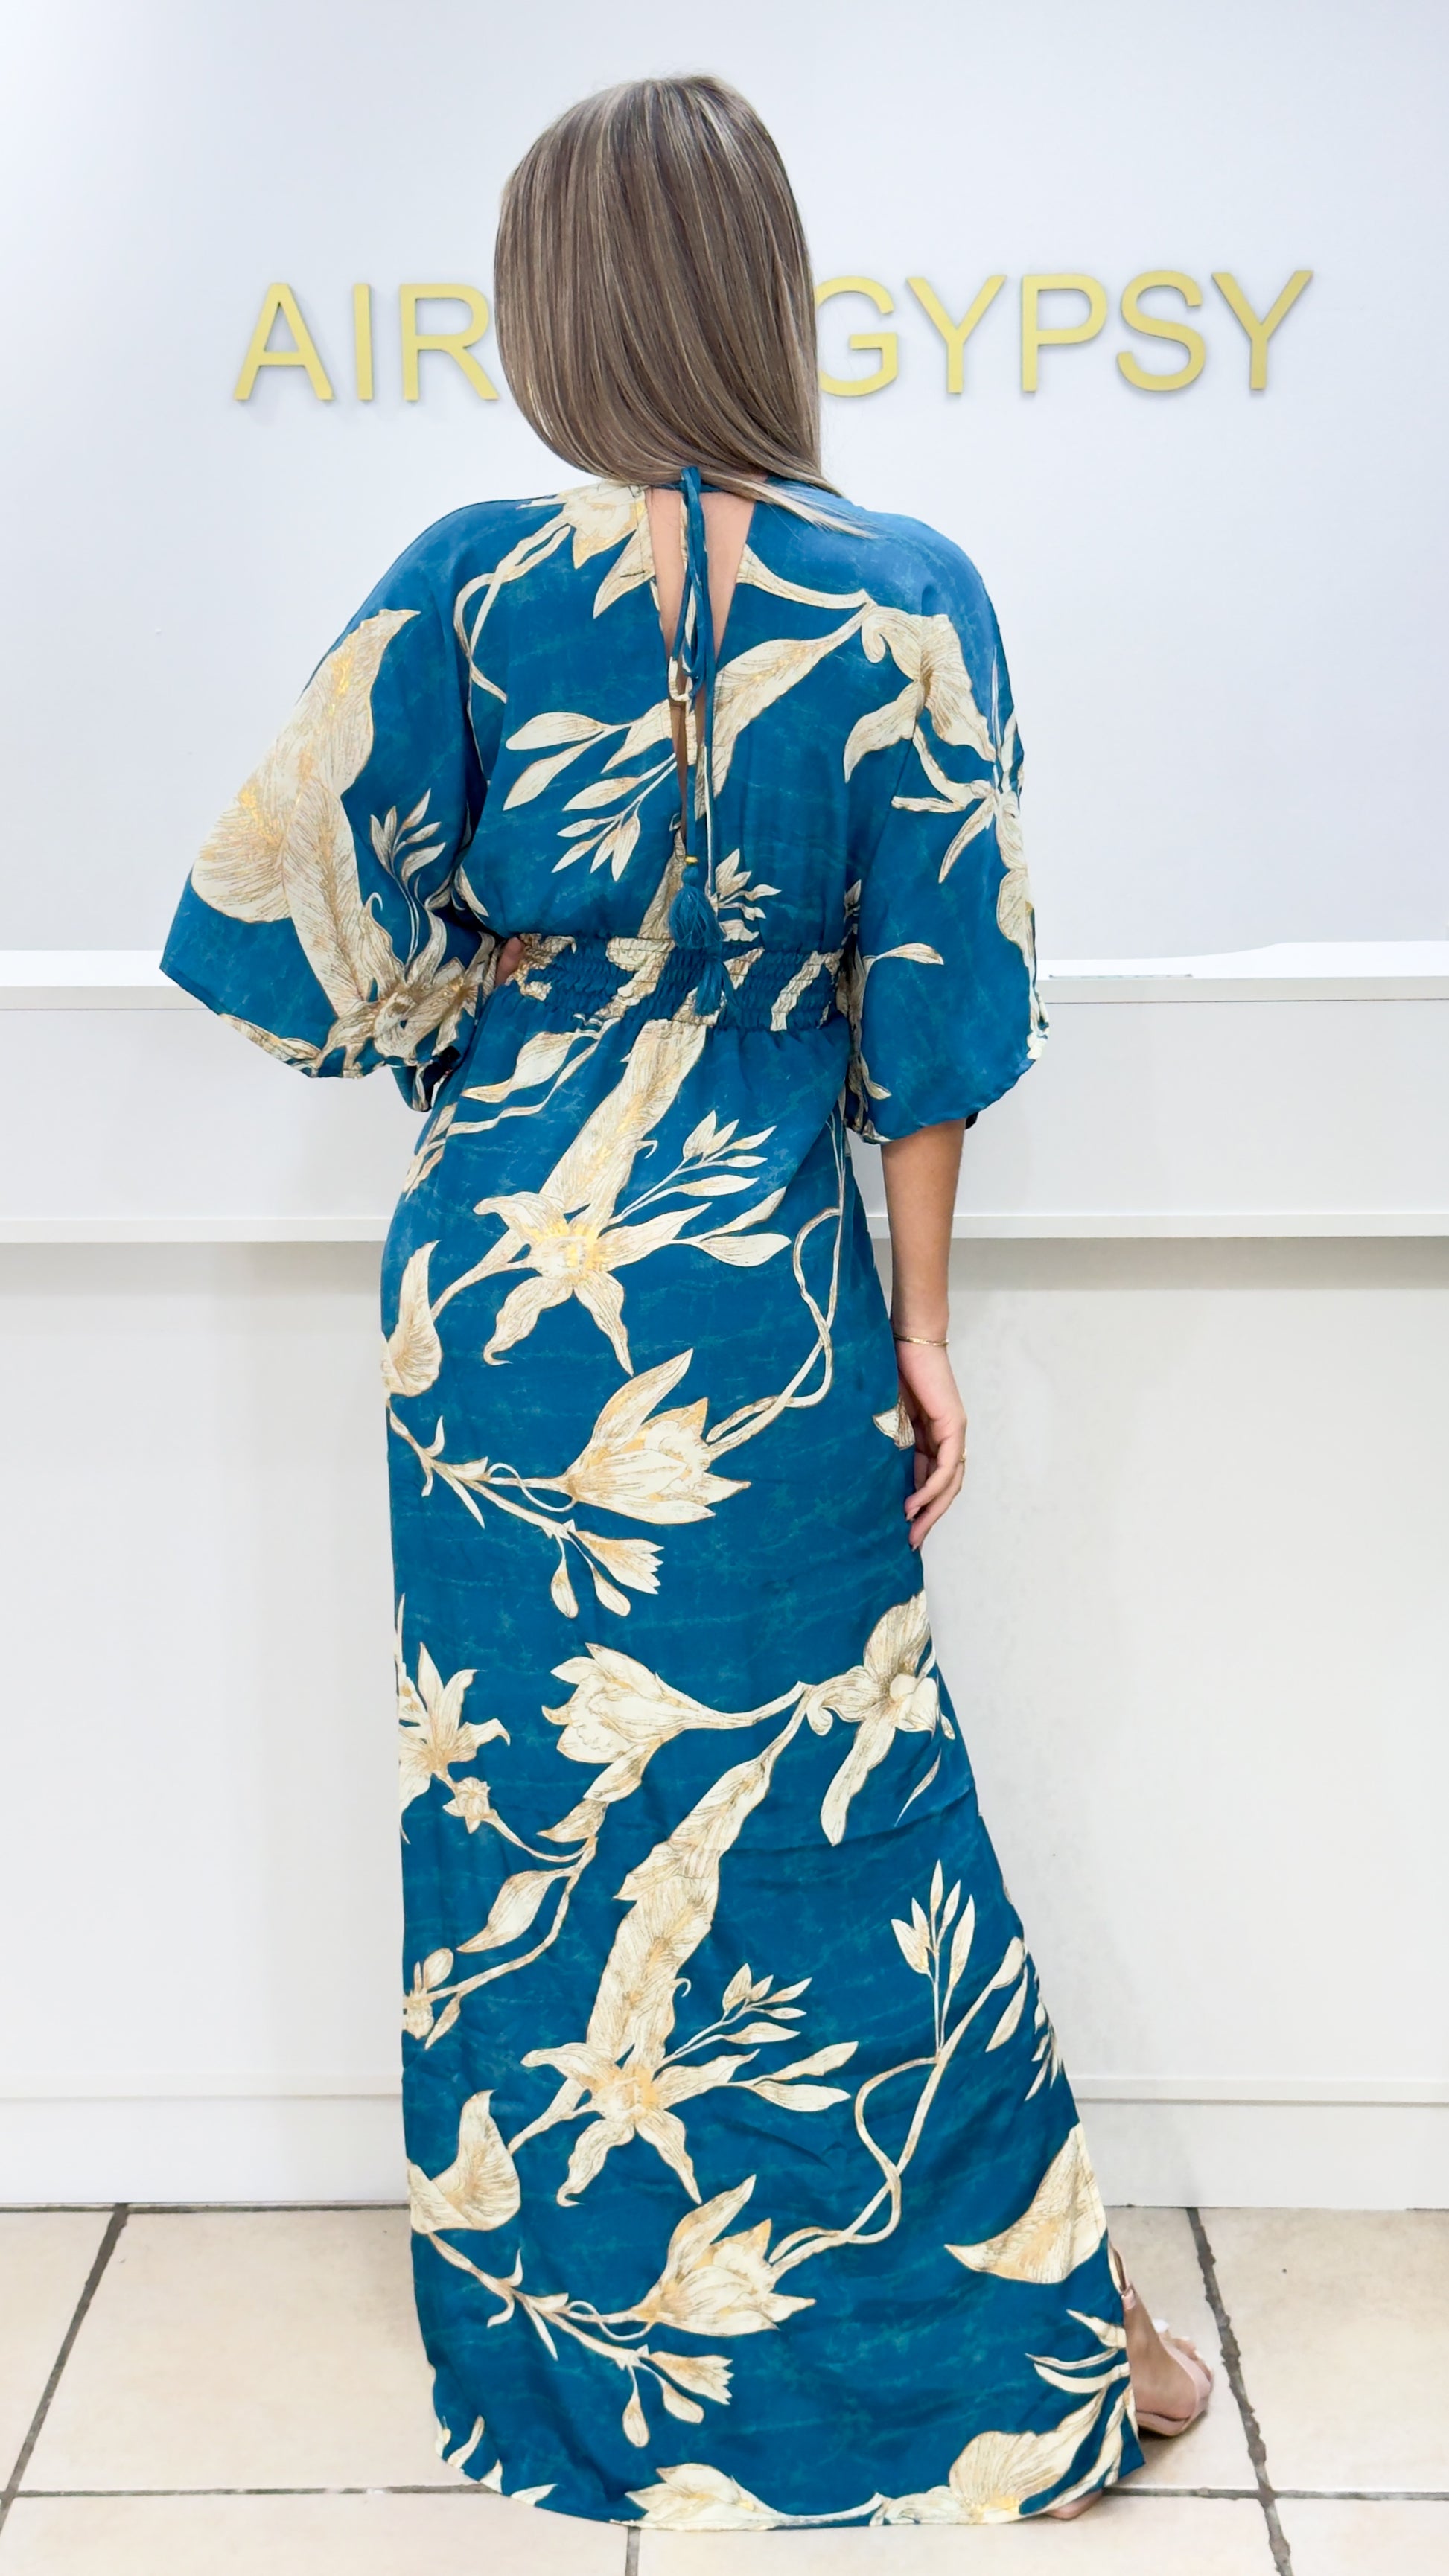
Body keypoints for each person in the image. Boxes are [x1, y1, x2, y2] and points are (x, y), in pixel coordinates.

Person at [162, 72, 1210, 2529]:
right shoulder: (910, 595)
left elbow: (276, 946)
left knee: (538, 1824)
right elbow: (935, 1025)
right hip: (765, 1289)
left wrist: (486, 1002)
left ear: (551, 306)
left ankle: (600, 2365)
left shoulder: (461, 586)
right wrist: (921, 1329)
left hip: (503, 1302)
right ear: (765, 296)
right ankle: (999, 2337)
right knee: (842, 1810)